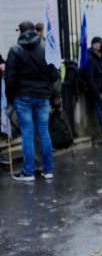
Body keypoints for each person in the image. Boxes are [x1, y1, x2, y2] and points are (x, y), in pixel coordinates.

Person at [5, 21, 60, 181]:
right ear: (35, 32)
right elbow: (54, 75)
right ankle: (48, 170)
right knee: (44, 132)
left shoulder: (15, 50)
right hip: (42, 97)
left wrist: (10, 98)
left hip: (22, 96)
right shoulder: (44, 50)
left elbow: (10, 77)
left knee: (27, 133)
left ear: (20, 32)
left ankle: (28, 172)